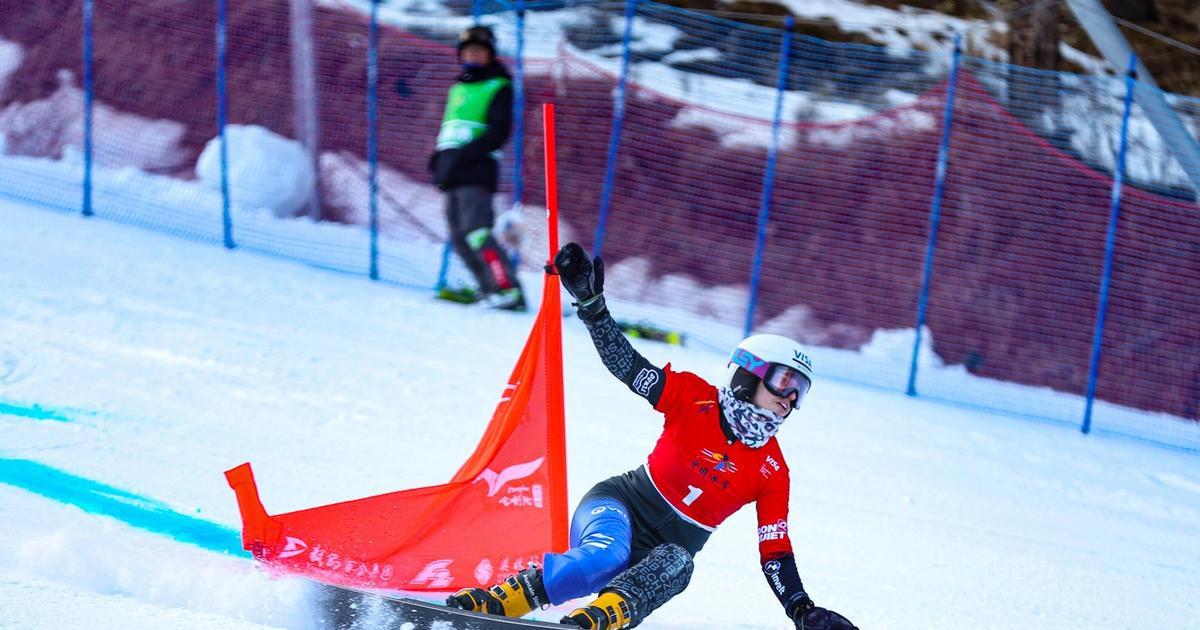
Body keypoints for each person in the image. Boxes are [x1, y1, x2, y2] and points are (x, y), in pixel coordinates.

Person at [447, 242, 858, 630]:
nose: (789, 398)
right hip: (618, 504)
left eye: (799, 391)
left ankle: (594, 622)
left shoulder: (772, 471)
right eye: (783, 381)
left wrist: (801, 609)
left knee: (680, 563)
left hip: (661, 557)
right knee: (605, 556)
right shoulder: (693, 397)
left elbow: (775, 551)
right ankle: (497, 603)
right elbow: (628, 366)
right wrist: (593, 307)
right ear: (748, 375)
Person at [428, 25, 525, 311]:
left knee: (477, 232)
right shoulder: (458, 87)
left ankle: (508, 290)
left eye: (479, 51)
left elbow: (498, 132)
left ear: (490, 54)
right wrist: (440, 160)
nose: (472, 55)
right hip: (453, 171)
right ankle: (488, 289)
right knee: (459, 239)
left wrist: (464, 155)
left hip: (477, 169)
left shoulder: (499, 85)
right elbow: (452, 129)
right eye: (468, 50)